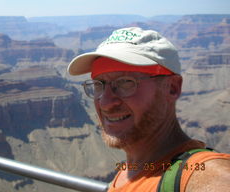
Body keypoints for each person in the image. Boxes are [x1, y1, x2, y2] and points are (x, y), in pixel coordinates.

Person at [67, 27, 230, 192]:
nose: (105, 103)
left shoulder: (201, 174)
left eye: (125, 82)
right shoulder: (132, 169)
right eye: (98, 84)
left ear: (172, 87)